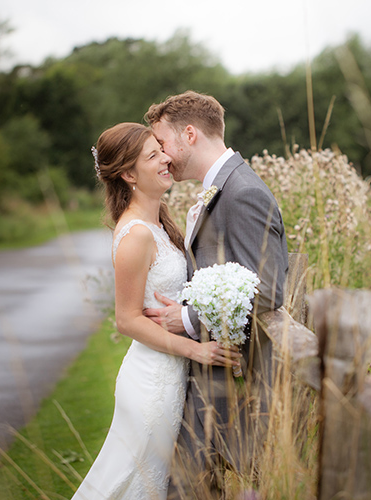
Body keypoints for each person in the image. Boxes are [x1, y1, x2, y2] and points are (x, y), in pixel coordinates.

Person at [72, 123, 240, 500]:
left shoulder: (157, 222)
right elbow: (127, 319)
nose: (166, 158)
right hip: (151, 383)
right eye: (153, 155)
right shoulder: (136, 234)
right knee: (132, 482)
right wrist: (197, 349)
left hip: (168, 375)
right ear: (129, 174)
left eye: (160, 149)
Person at [143, 91, 289, 496]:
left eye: (163, 143)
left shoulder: (242, 192)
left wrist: (186, 318)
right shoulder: (219, 187)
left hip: (231, 383)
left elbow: (269, 288)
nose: (163, 155)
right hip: (208, 375)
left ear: (190, 134)